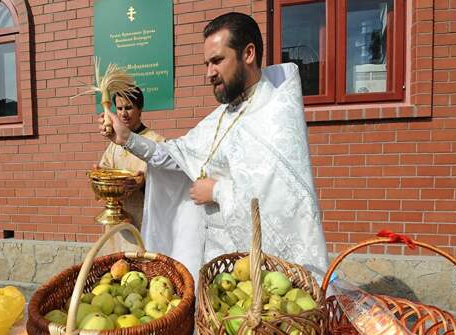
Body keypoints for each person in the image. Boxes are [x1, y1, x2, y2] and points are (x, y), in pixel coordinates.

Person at [99, 12, 328, 280]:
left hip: (255, 271)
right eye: (207, 63)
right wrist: (126, 138)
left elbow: (283, 199)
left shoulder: (275, 114)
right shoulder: (222, 116)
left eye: (217, 61)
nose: (209, 73)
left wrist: (218, 191)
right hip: (214, 261)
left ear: (249, 53)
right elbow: (176, 155)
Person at [96, 87, 164, 253]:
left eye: (129, 107)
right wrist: (99, 176)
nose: (123, 114)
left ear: (140, 109)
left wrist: (144, 183)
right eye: (119, 108)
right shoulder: (114, 143)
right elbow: (105, 169)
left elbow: (168, 183)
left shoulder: (156, 142)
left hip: (143, 223)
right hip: (116, 225)